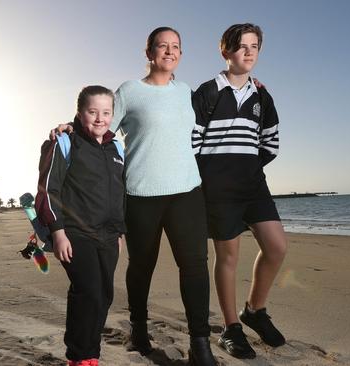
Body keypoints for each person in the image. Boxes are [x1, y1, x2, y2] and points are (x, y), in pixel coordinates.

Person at [52, 27, 217, 366]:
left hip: (187, 191)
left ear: (181, 55)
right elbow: (100, 123)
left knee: (196, 267)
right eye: (162, 46)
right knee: (142, 266)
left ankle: (201, 344)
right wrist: (69, 127)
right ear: (149, 52)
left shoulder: (186, 91)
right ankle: (138, 329)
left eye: (175, 47)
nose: (169, 52)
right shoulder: (129, 91)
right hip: (141, 193)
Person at [191, 23, 287, 359]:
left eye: (255, 46)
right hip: (218, 188)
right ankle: (231, 328)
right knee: (228, 256)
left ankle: (254, 311)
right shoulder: (207, 92)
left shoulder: (262, 95)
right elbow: (191, 142)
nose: (249, 52)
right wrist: (214, 173)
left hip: (253, 185)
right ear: (226, 51)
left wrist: (247, 166)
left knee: (276, 247)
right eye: (242, 46)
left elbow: (270, 142)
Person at [36, 85, 126, 366]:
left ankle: (91, 354)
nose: (100, 118)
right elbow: (48, 189)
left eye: (106, 112)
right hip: (75, 233)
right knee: (88, 291)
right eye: (92, 111)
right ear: (79, 112)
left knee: (104, 296)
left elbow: (119, 192)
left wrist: (120, 231)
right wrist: (58, 233)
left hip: (109, 236)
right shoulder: (65, 142)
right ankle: (79, 357)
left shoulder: (116, 148)